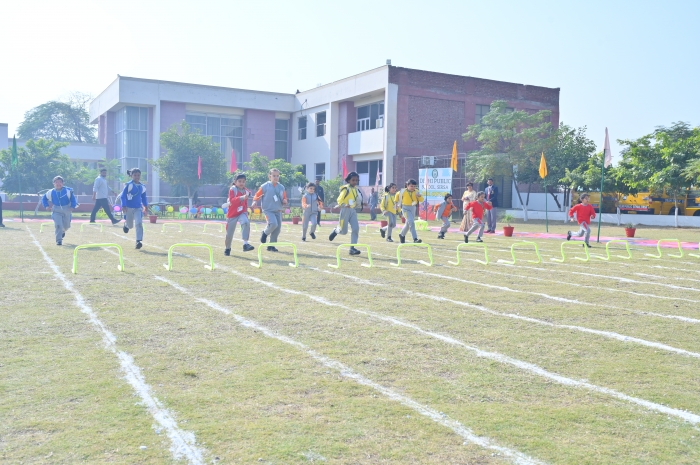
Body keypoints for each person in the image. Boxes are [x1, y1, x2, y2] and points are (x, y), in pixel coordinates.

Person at [252, 168, 287, 252]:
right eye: (274, 176)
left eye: (277, 176)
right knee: (273, 224)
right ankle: (265, 233)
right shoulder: (265, 186)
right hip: (268, 210)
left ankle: (271, 246)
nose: (276, 177)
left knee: (277, 229)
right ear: (269, 176)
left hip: (278, 210)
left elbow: (284, 197)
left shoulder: (281, 187)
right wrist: (255, 201)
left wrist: (285, 200)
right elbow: (257, 194)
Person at [329, 171, 362, 255]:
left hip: (353, 210)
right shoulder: (345, 189)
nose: (355, 182)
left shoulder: (356, 189)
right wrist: (344, 205)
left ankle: (352, 248)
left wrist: (361, 204)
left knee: (356, 229)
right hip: (345, 210)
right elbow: (339, 199)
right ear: (348, 180)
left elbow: (356, 200)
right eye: (353, 180)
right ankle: (336, 230)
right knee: (344, 231)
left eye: (356, 180)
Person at [224, 173, 255, 255]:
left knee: (246, 222)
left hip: (242, 212)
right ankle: (227, 248)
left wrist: (250, 197)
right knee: (229, 234)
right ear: (235, 182)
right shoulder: (232, 189)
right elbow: (232, 200)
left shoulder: (246, 190)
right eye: (240, 181)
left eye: (243, 181)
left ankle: (245, 244)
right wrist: (241, 197)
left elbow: (249, 193)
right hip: (232, 214)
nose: (242, 183)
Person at [42, 176, 77, 245]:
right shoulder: (51, 192)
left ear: (63, 183)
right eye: (56, 182)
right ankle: (59, 240)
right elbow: (44, 199)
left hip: (67, 209)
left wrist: (72, 207)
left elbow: (73, 199)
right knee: (58, 225)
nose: (58, 184)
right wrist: (46, 206)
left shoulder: (68, 191)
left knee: (66, 226)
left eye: (60, 182)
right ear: (54, 184)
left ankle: (63, 231)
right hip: (56, 210)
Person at [120, 168, 148, 249]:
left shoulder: (142, 186)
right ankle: (126, 225)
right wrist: (123, 205)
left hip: (138, 208)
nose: (137, 177)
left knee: (139, 223)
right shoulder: (128, 185)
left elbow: (144, 197)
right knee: (130, 226)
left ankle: (138, 241)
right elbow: (123, 196)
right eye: (135, 175)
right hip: (128, 208)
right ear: (131, 176)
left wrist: (146, 206)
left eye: (138, 175)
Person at [395, 179, 424, 243]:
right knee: (411, 222)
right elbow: (397, 195)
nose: (413, 188)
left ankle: (402, 235)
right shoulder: (403, 191)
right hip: (405, 209)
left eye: (414, 186)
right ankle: (415, 239)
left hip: (413, 208)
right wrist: (396, 204)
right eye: (411, 186)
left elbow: (421, 200)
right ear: (407, 186)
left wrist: (419, 196)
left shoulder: (416, 191)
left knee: (408, 224)